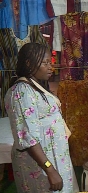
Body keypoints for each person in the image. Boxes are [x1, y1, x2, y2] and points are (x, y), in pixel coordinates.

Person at [5, 43, 75, 192]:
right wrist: (50, 169)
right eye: (45, 63)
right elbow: (28, 138)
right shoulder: (21, 92)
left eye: (51, 63)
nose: (50, 67)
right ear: (29, 63)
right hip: (40, 166)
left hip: (54, 159)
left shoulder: (35, 86)